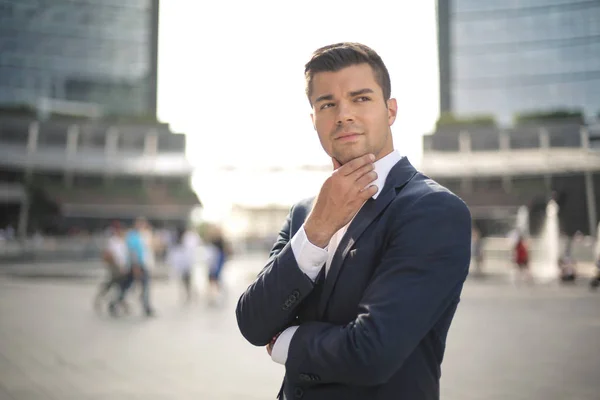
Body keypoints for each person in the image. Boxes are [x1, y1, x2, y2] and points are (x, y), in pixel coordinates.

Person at [235, 43, 471, 400]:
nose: (343, 115)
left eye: (360, 99)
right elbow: (253, 322)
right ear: (313, 119)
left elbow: (373, 352)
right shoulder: (305, 213)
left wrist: (288, 341)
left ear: (390, 110)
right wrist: (316, 231)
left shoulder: (433, 210)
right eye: (327, 104)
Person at [109, 218, 155, 317]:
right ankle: (146, 307)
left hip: (136, 265)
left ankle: (114, 303)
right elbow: (133, 253)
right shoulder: (133, 237)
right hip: (136, 266)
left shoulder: (138, 236)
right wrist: (136, 267)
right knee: (143, 286)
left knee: (127, 286)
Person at [94, 221, 129, 312]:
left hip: (121, 266)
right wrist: (118, 266)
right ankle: (118, 302)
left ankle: (119, 302)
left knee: (116, 284)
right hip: (115, 266)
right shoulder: (113, 241)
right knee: (117, 283)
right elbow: (111, 254)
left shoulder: (122, 241)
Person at [167, 226, 199, 304]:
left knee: (188, 280)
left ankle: (190, 293)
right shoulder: (183, 240)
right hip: (184, 265)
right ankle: (188, 294)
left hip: (187, 264)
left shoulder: (189, 238)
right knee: (185, 280)